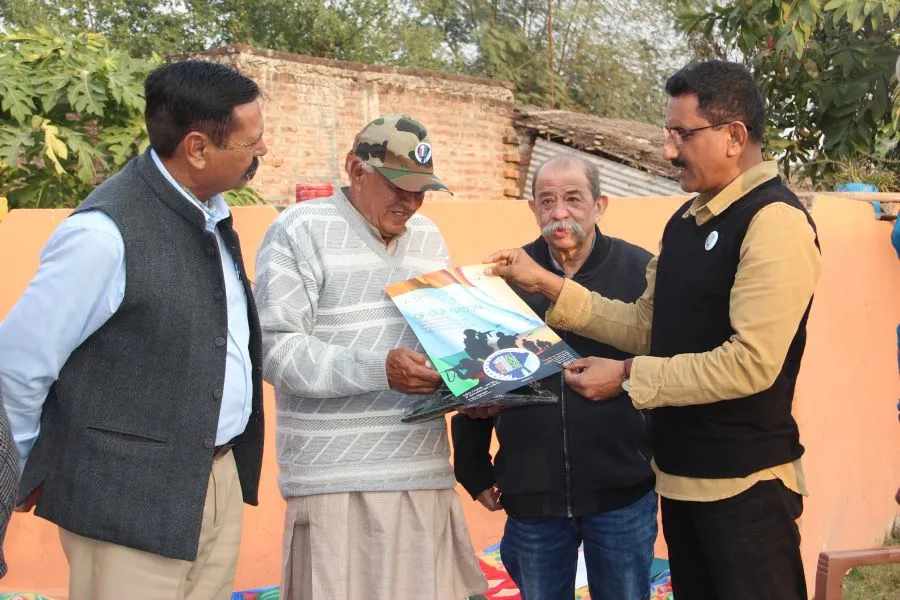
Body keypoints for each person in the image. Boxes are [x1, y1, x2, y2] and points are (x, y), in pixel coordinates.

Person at [486, 60, 821, 600]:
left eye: (682, 134)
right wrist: (548, 285)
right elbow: (646, 325)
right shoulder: (687, 221)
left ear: (734, 136)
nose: (669, 150)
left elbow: (752, 362)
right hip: (682, 482)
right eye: (669, 134)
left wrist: (624, 377)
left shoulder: (772, 220)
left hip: (746, 486)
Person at [0, 60, 268, 599]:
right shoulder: (103, 235)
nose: (263, 153)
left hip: (212, 478)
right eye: (251, 143)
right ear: (197, 148)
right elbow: (19, 368)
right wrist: (20, 473)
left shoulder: (209, 214)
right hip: (125, 498)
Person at [254, 114, 488, 600]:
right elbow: (274, 351)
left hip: (423, 475)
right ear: (356, 170)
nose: (411, 202)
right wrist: (378, 369)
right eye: (398, 185)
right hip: (334, 482)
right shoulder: (299, 231)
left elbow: (442, 341)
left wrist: (475, 387)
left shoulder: (428, 236)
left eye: (421, 190)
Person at [452, 155, 657, 600]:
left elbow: (667, 365)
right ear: (533, 208)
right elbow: (476, 374)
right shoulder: (502, 281)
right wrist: (472, 466)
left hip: (622, 493)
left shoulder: (640, 272)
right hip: (532, 496)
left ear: (600, 205)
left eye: (572, 199)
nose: (559, 212)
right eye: (547, 200)